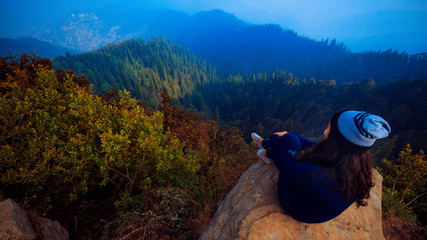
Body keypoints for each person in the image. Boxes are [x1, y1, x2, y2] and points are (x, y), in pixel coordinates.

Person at [251, 110, 391, 223]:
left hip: (298, 208)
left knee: (284, 149)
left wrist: (275, 138)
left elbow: (286, 164)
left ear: (336, 139)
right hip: (317, 201)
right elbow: (313, 146)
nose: (325, 130)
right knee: (291, 138)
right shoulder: (355, 158)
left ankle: (268, 151)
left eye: (329, 127)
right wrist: (291, 136)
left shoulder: (319, 177)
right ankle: (266, 146)